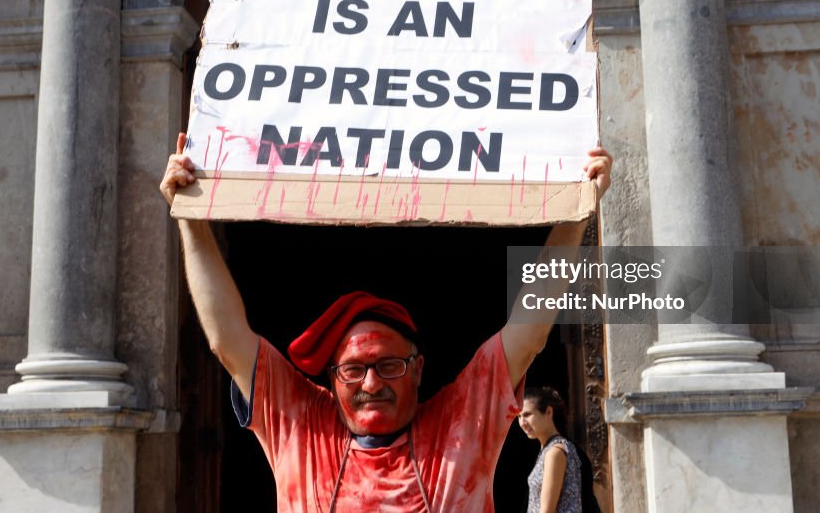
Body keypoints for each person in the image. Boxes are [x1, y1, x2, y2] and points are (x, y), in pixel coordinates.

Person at [160, 132, 612, 511]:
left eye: (389, 366)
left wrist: (574, 217)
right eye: (354, 369)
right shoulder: (301, 424)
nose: (372, 384)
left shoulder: (460, 421)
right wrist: (190, 219)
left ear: (417, 369)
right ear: (333, 378)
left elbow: (528, 332)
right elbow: (226, 340)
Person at [518, 387, 583, 513]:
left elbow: (546, 511)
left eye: (527, 415)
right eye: (519, 416)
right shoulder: (548, 449)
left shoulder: (555, 452)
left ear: (548, 412)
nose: (522, 423)